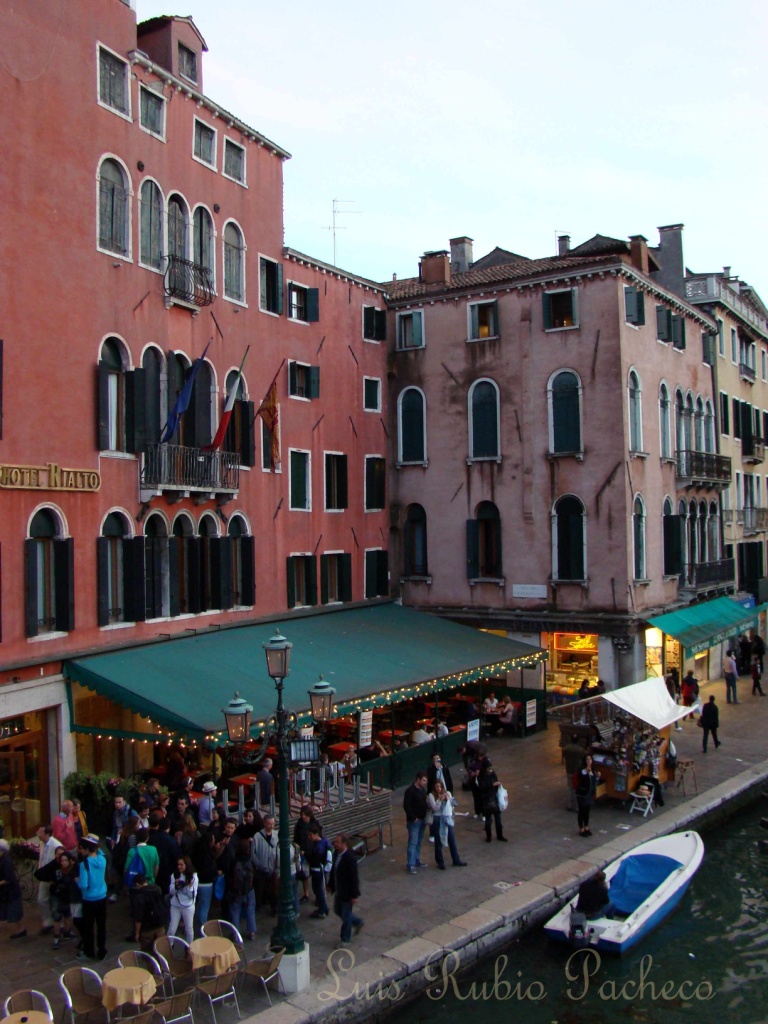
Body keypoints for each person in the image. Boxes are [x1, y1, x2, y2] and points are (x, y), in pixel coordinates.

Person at [35, 850, 79, 948]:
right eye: (62, 860)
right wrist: (50, 880)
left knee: (68, 915)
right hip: (57, 896)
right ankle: (56, 937)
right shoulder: (56, 870)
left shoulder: (73, 869)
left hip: (68, 896)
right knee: (57, 917)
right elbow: (39, 874)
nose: (63, 862)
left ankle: (67, 932)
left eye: (65, 860)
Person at [328, 833, 362, 947]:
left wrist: (354, 895)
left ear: (344, 844)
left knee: (346, 915)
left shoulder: (350, 858)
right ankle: (357, 922)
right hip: (339, 890)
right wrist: (331, 884)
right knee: (338, 910)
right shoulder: (336, 854)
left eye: (337, 842)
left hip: (347, 892)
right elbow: (334, 870)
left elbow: (354, 877)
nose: (335, 844)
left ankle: (345, 939)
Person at [78, 834, 108, 961]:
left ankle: (89, 951)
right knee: (101, 925)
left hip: (89, 899)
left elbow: (83, 885)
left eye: (81, 848)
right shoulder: (102, 859)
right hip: (102, 896)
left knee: (88, 926)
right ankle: (102, 950)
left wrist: (76, 881)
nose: (80, 851)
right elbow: (100, 851)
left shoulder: (84, 864)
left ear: (86, 849)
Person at [426, 780, 467, 868]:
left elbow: (455, 803)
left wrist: (449, 798)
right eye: (437, 787)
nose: (438, 789)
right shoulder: (431, 795)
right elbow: (435, 808)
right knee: (438, 840)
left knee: (451, 839)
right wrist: (439, 800)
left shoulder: (447, 793)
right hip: (437, 818)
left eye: (440, 787)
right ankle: (440, 862)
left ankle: (456, 860)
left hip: (447, 817)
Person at [129, 872, 167, 951]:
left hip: (147, 928)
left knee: (148, 952)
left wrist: (137, 933)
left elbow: (138, 917)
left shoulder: (139, 897)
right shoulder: (157, 889)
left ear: (137, 884)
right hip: (160, 925)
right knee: (161, 949)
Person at [147, 811, 181, 899]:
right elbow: (176, 858)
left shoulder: (150, 839)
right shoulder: (172, 841)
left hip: (152, 872)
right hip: (167, 874)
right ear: (168, 827)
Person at [227, 839, 256, 940]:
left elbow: (230, 875)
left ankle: (235, 934)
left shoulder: (234, 861)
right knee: (250, 909)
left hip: (236, 890)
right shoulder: (250, 859)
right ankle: (252, 931)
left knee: (235, 911)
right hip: (249, 889)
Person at [191, 829, 218, 937]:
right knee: (204, 907)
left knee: (199, 905)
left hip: (197, 882)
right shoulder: (208, 855)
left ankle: (198, 926)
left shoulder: (197, 852)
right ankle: (203, 930)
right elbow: (210, 869)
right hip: (206, 883)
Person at [36, 824, 62, 933]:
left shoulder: (56, 845)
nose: (38, 833)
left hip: (52, 878)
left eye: (40, 832)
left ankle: (59, 923)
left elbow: (59, 863)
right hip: (44, 877)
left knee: (56, 901)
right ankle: (48, 922)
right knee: (42, 899)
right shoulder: (42, 843)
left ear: (47, 834)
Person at [293, 806, 321, 905]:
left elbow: (320, 836)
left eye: (305, 815)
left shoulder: (315, 823)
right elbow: (296, 839)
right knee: (304, 874)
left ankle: (318, 895)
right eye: (302, 815)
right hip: (303, 852)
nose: (303, 817)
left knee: (316, 874)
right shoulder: (299, 825)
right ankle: (306, 894)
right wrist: (298, 849)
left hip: (313, 852)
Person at [403, 771, 429, 874]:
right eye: (423, 780)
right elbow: (406, 806)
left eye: (426, 781)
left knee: (419, 841)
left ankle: (417, 860)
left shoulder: (422, 790)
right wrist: (413, 817)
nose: (425, 783)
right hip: (415, 821)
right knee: (413, 842)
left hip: (422, 819)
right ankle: (411, 864)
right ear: (418, 779)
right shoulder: (410, 791)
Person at [251, 816, 279, 913]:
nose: (271, 826)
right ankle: (258, 905)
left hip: (273, 868)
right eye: (269, 823)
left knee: (273, 890)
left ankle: (274, 908)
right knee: (259, 888)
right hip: (260, 868)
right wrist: (259, 864)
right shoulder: (257, 836)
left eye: (273, 823)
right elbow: (253, 853)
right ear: (264, 823)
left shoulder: (277, 834)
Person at [0, 838, 26, 939]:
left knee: (14, 912)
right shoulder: (3, 859)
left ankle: (22, 929)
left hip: (10, 892)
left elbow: (8, 878)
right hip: (6, 892)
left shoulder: (6, 861)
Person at [168, 855, 197, 944]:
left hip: (188, 906)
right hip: (176, 905)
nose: (179, 867)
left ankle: (189, 948)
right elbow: (171, 892)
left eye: (181, 865)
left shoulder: (193, 876)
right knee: (172, 928)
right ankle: (169, 946)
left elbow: (192, 895)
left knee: (189, 929)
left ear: (186, 865)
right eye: (178, 865)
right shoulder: (175, 875)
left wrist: (188, 887)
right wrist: (176, 886)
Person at [477, 758, 506, 842]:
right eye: (488, 768)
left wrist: (497, 784)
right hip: (486, 800)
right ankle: (488, 836)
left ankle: (499, 835)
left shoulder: (492, 774)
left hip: (494, 798)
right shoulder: (481, 776)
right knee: (488, 820)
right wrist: (492, 785)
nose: (490, 770)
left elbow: (496, 780)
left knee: (498, 819)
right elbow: (482, 788)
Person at [306, 825, 332, 918]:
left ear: (316, 834)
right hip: (321, 870)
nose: (309, 837)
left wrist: (307, 855)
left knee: (318, 890)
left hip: (317, 870)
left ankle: (322, 910)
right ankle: (323, 908)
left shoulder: (319, 846)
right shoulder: (324, 842)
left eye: (310, 835)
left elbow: (315, 859)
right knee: (319, 889)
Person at [575, 754, 601, 837]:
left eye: (590, 759)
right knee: (581, 811)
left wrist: (597, 777)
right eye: (587, 759)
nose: (589, 761)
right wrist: (586, 770)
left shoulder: (593, 770)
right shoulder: (582, 770)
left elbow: (594, 782)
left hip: (589, 794)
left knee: (587, 811)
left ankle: (586, 826)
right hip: (582, 794)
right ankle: (581, 828)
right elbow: (582, 775)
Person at [562, 734, 585, 812]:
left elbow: (564, 756)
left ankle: (569, 805)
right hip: (577, 770)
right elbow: (583, 757)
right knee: (577, 788)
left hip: (569, 769)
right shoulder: (580, 750)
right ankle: (577, 806)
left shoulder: (566, 748)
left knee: (569, 788)